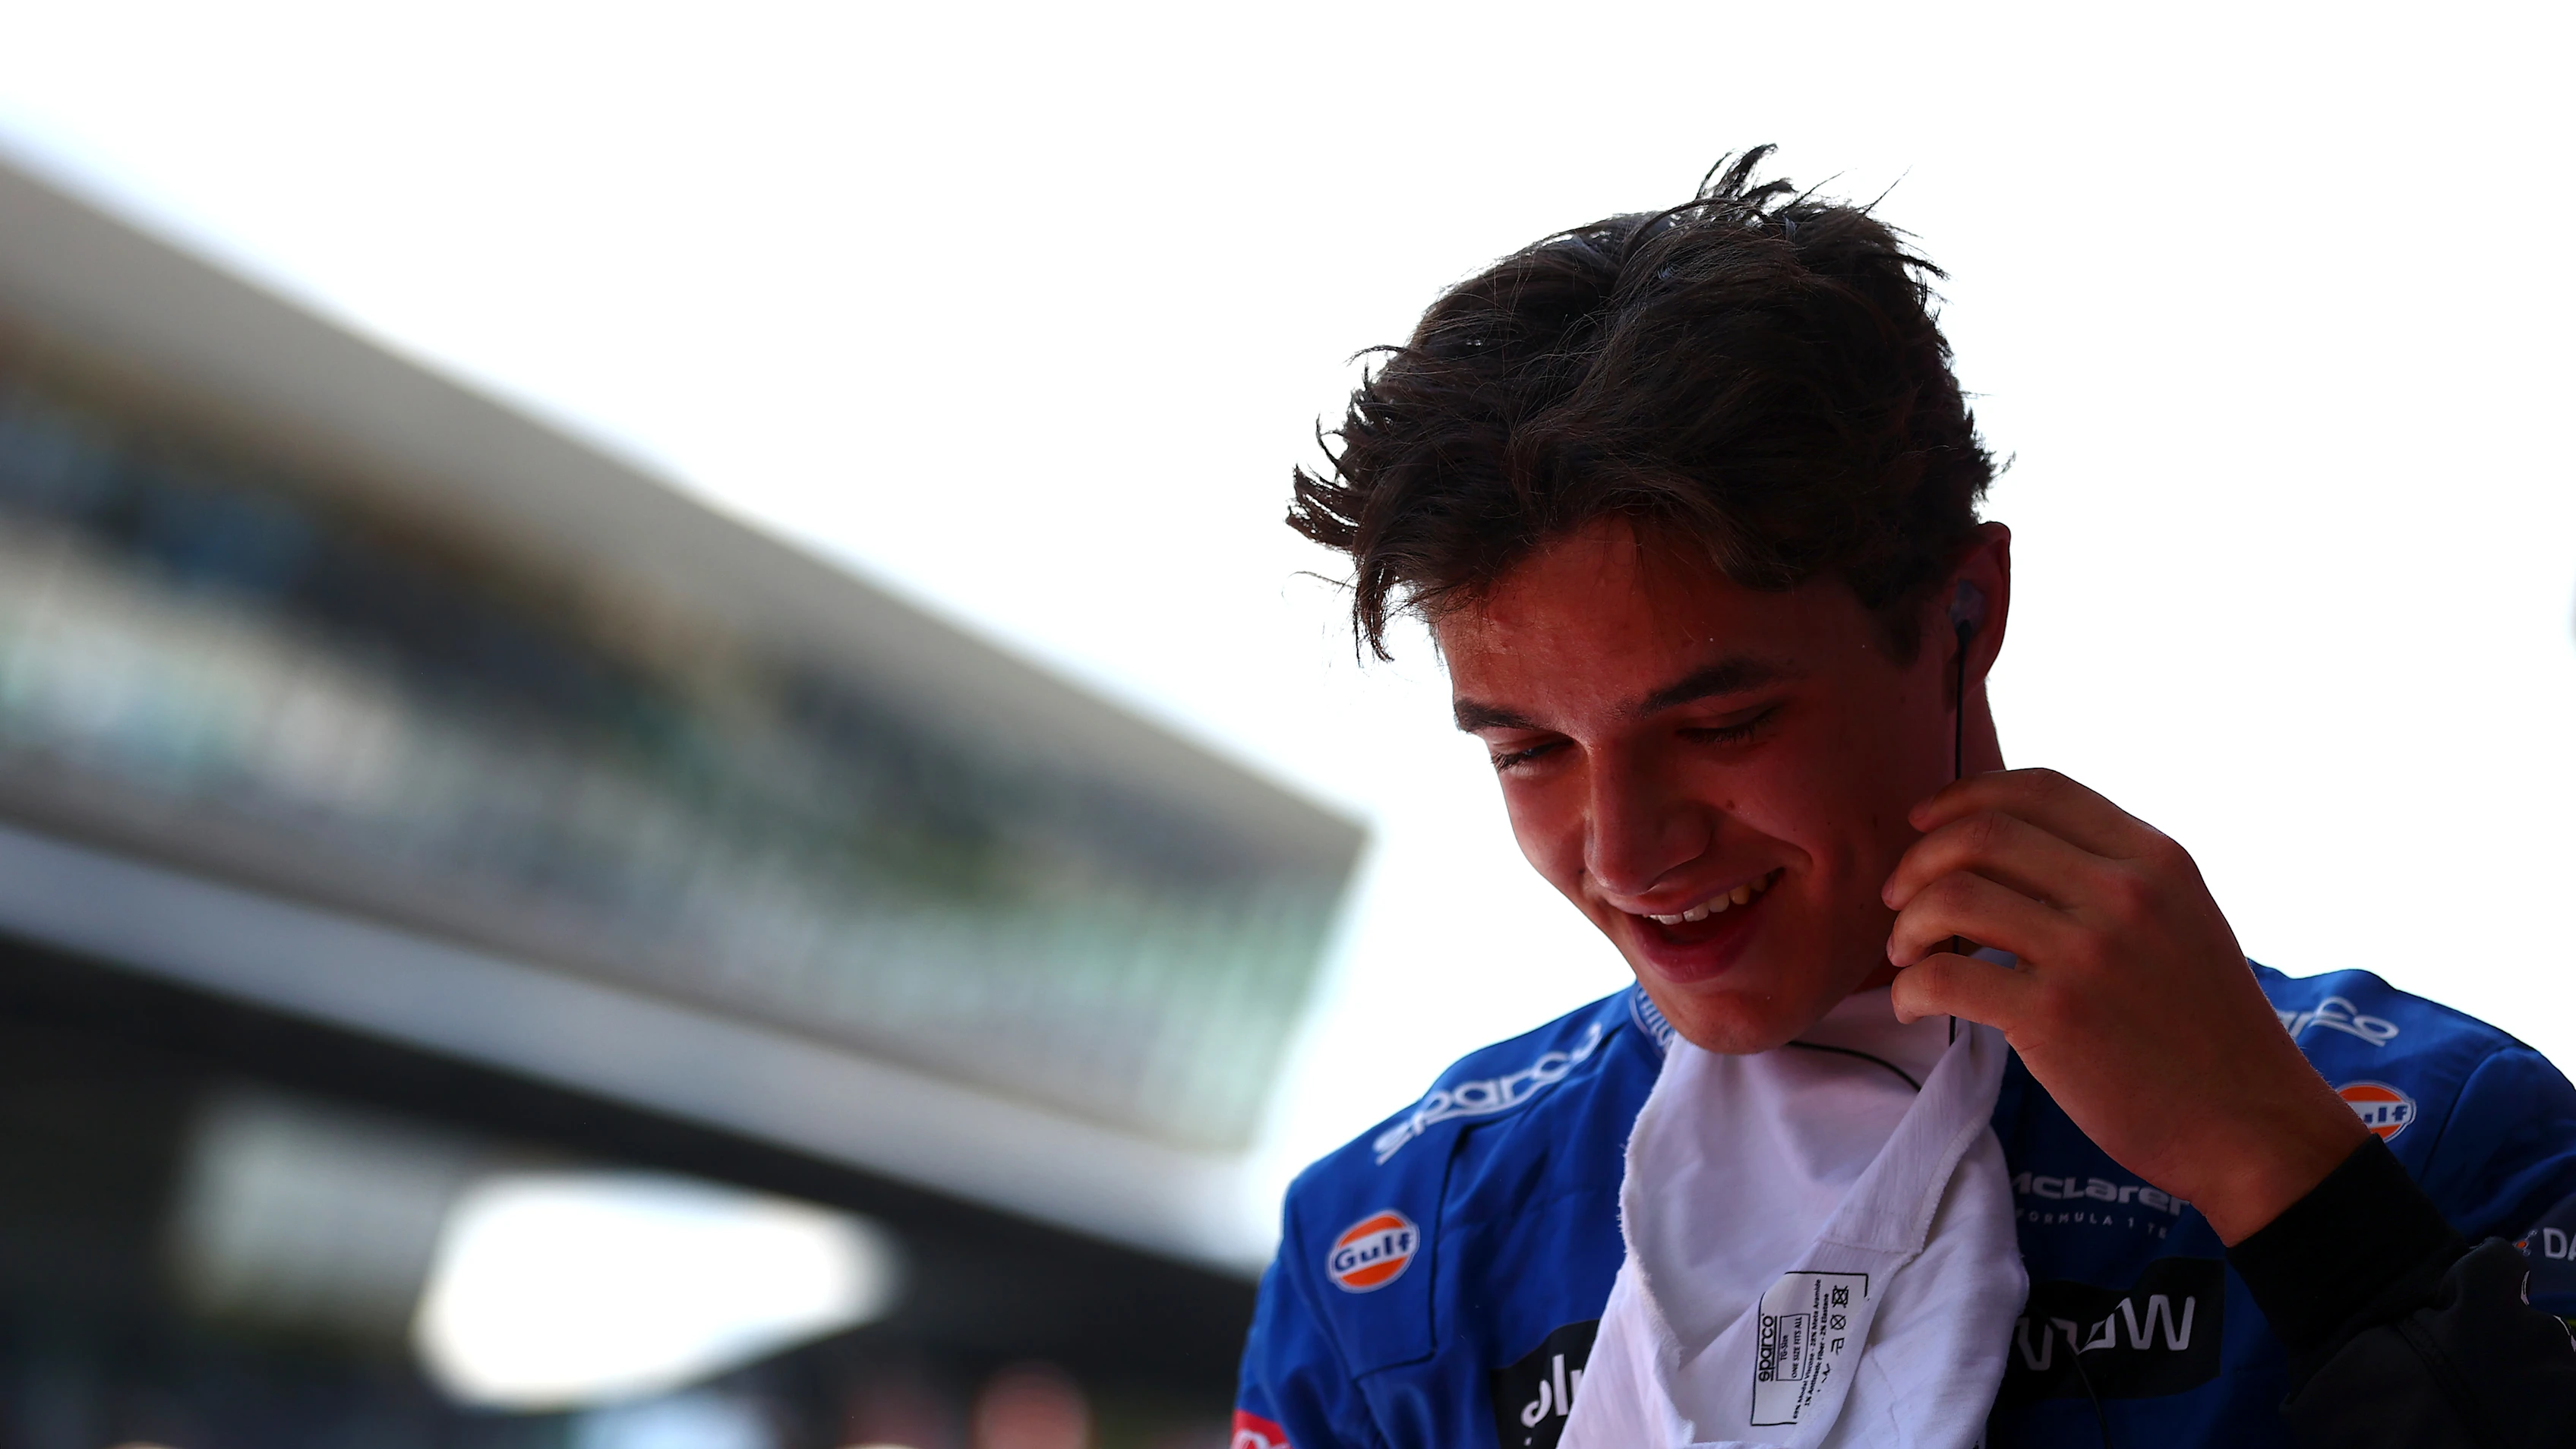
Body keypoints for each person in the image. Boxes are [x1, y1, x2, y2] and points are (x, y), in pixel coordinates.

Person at [1232, 150, 2576, 1448]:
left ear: (1965, 615)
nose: (1630, 854)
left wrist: (2291, 1186)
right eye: (1528, 753)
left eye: (1723, 723)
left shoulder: (2446, 1135)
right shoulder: (1389, 1253)